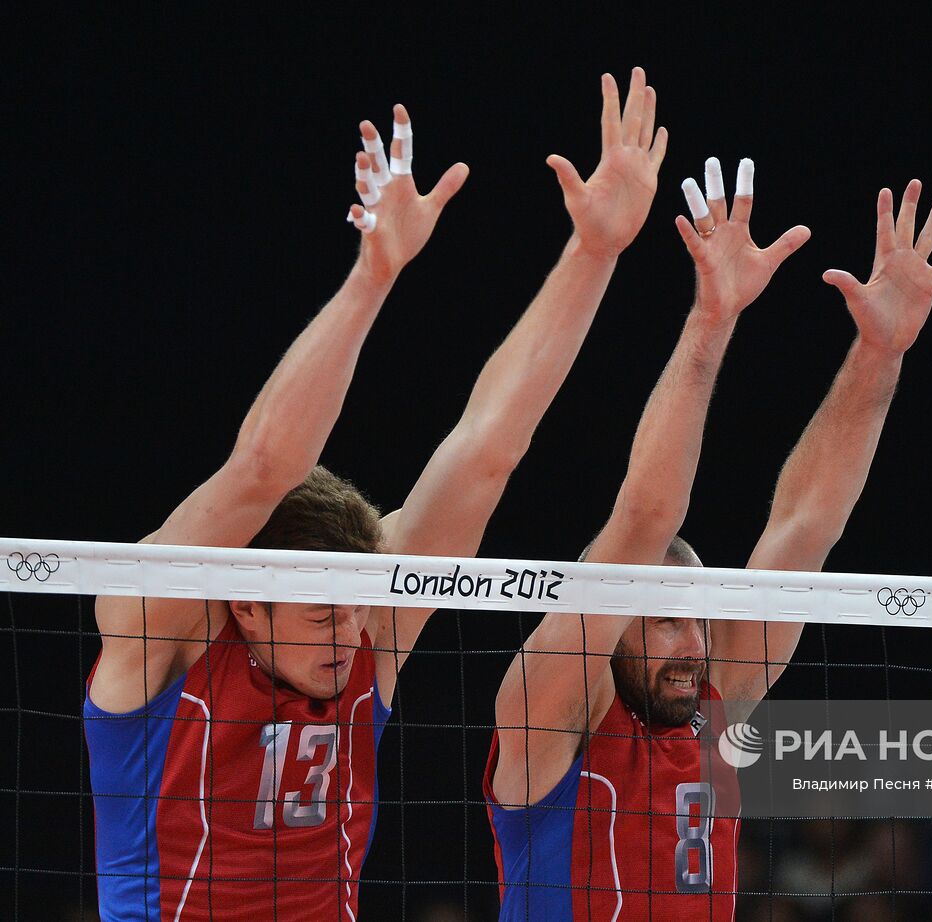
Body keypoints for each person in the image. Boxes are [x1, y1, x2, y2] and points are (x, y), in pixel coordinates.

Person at [84, 67, 667, 921]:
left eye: (353, 608)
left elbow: (486, 451)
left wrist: (595, 252)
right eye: (324, 613)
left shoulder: (369, 621)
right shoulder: (159, 627)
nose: (351, 632)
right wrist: (374, 275)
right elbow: (263, 467)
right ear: (247, 602)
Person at [488, 152, 932, 920]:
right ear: (608, 626)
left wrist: (882, 354)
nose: (692, 641)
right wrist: (712, 320)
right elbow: (644, 523)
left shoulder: (715, 708)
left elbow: (806, 526)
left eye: (696, 618)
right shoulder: (548, 713)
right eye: (664, 620)